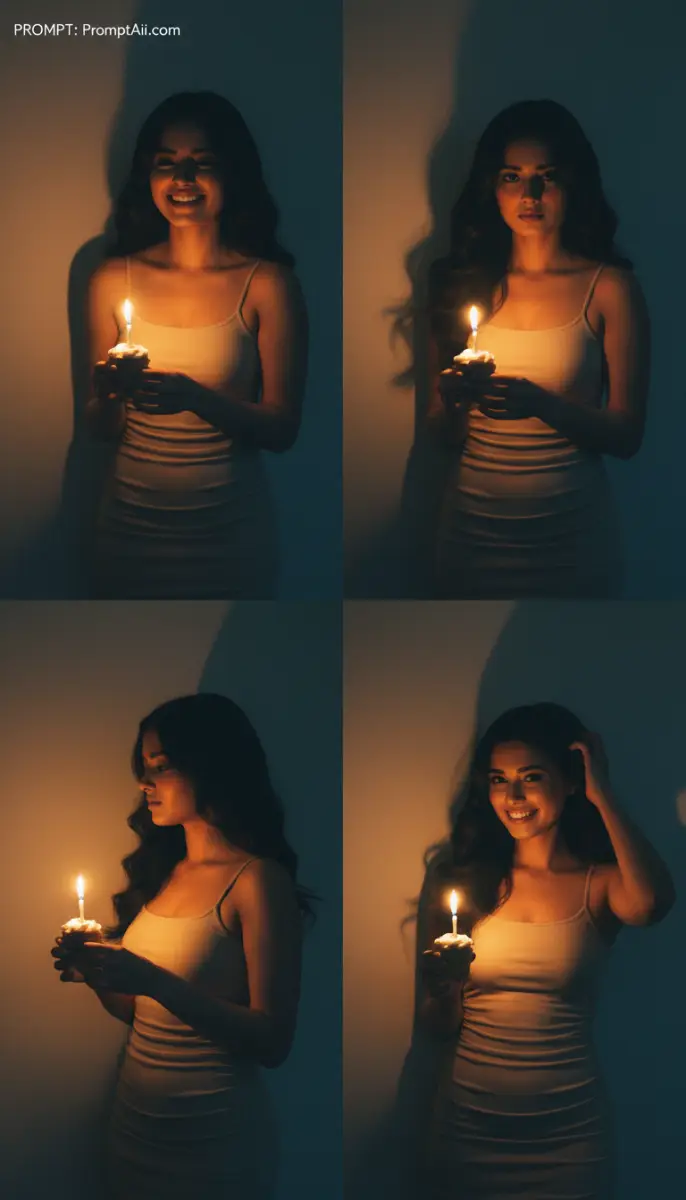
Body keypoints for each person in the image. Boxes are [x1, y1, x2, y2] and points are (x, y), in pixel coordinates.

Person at [52, 693, 313, 1200]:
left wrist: (149, 978)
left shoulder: (256, 881)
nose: (144, 784)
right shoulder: (166, 872)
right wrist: (97, 974)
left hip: (216, 1143)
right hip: (134, 1131)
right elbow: (139, 1014)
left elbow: (273, 1041)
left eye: (161, 767)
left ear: (210, 768)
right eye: (144, 768)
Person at [419, 703, 674, 1199]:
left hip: (570, 1140)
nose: (512, 796)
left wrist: (604, 794)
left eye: (531, 777)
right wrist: (446, 988)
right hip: (467, 1131)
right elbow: (435, 1026)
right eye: (498, 779)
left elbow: (653, 905)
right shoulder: (462, 882)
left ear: (572, 780)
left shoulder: (598, 884)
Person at [86, 91, 308, 598]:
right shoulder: (111, 278)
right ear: (148, 176)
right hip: (127, 531)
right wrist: (110, 394)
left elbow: (282, 429)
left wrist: (196, 398)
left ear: (233, 175)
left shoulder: (268, 283)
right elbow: (98, 426)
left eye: (202, 163)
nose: (183, 180)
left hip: (230, 536)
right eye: (167, 164)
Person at [427, 100, 650, 598]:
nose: (529, 194)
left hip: (574, 538)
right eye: (512, 176)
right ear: (492, 186)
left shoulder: (609, 288)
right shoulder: (459, 284)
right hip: (471, 533)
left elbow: (627, 435)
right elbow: (442, 435)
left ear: (573, 183)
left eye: (546, 176)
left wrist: (544, 405)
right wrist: (453, 400)